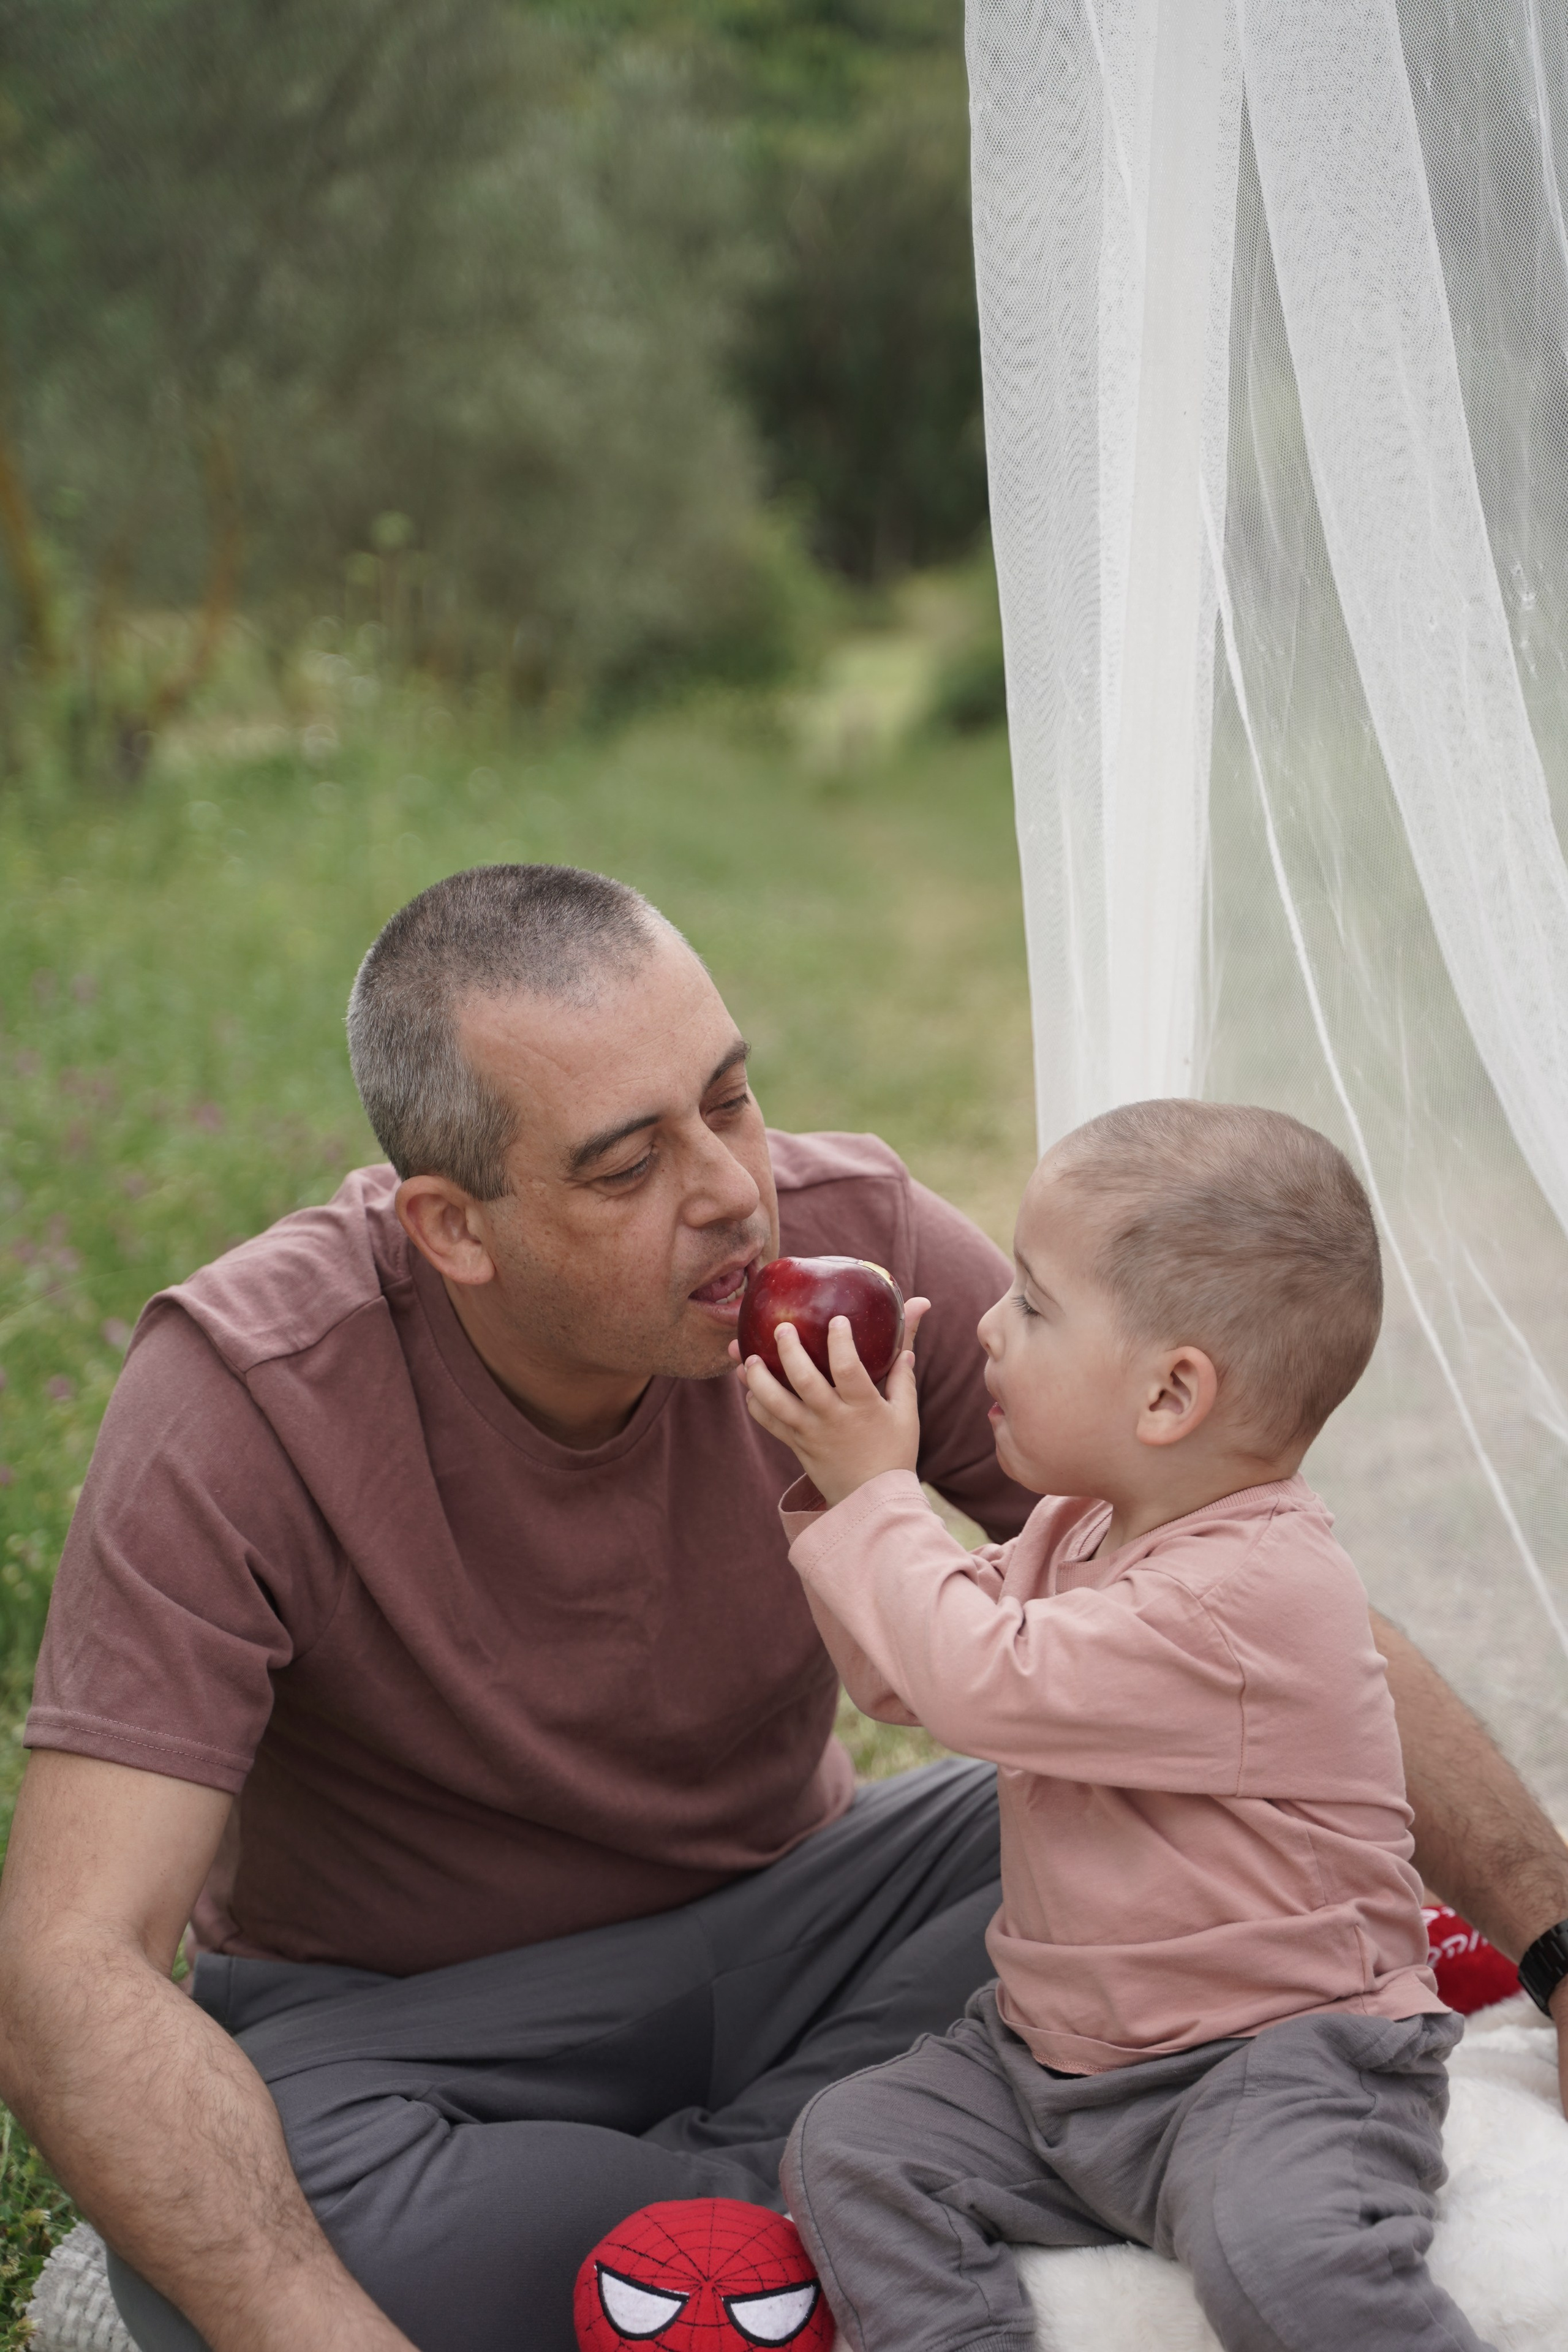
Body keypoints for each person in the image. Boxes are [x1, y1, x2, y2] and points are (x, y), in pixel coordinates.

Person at [0, 870, 1560, 2352]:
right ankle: (815, 2208)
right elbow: (70, 1959)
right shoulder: (243, 1394)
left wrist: (1556, 1944)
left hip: (815, 1917)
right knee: (240, 2212)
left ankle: (735, 2260)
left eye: (730, 1097)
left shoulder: (844, 1242)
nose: (734, 1190)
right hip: (426, 2025)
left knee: (1109, 1810)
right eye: (628, 1166)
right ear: (451, 1228)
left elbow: (1264, 1610)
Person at [742, 1101, 1491, 2351]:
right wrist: (834, 1492)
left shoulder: (1252, 1593)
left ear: (1167, 1394)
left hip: (1279, 2063)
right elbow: (901, 1678)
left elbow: (979, 1684)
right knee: (854, 2150)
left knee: (1281, 2266)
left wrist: (880, 1489)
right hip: (1055, 2066)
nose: (984, 1323)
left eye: (1031, 1305)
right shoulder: (1075, 1530)